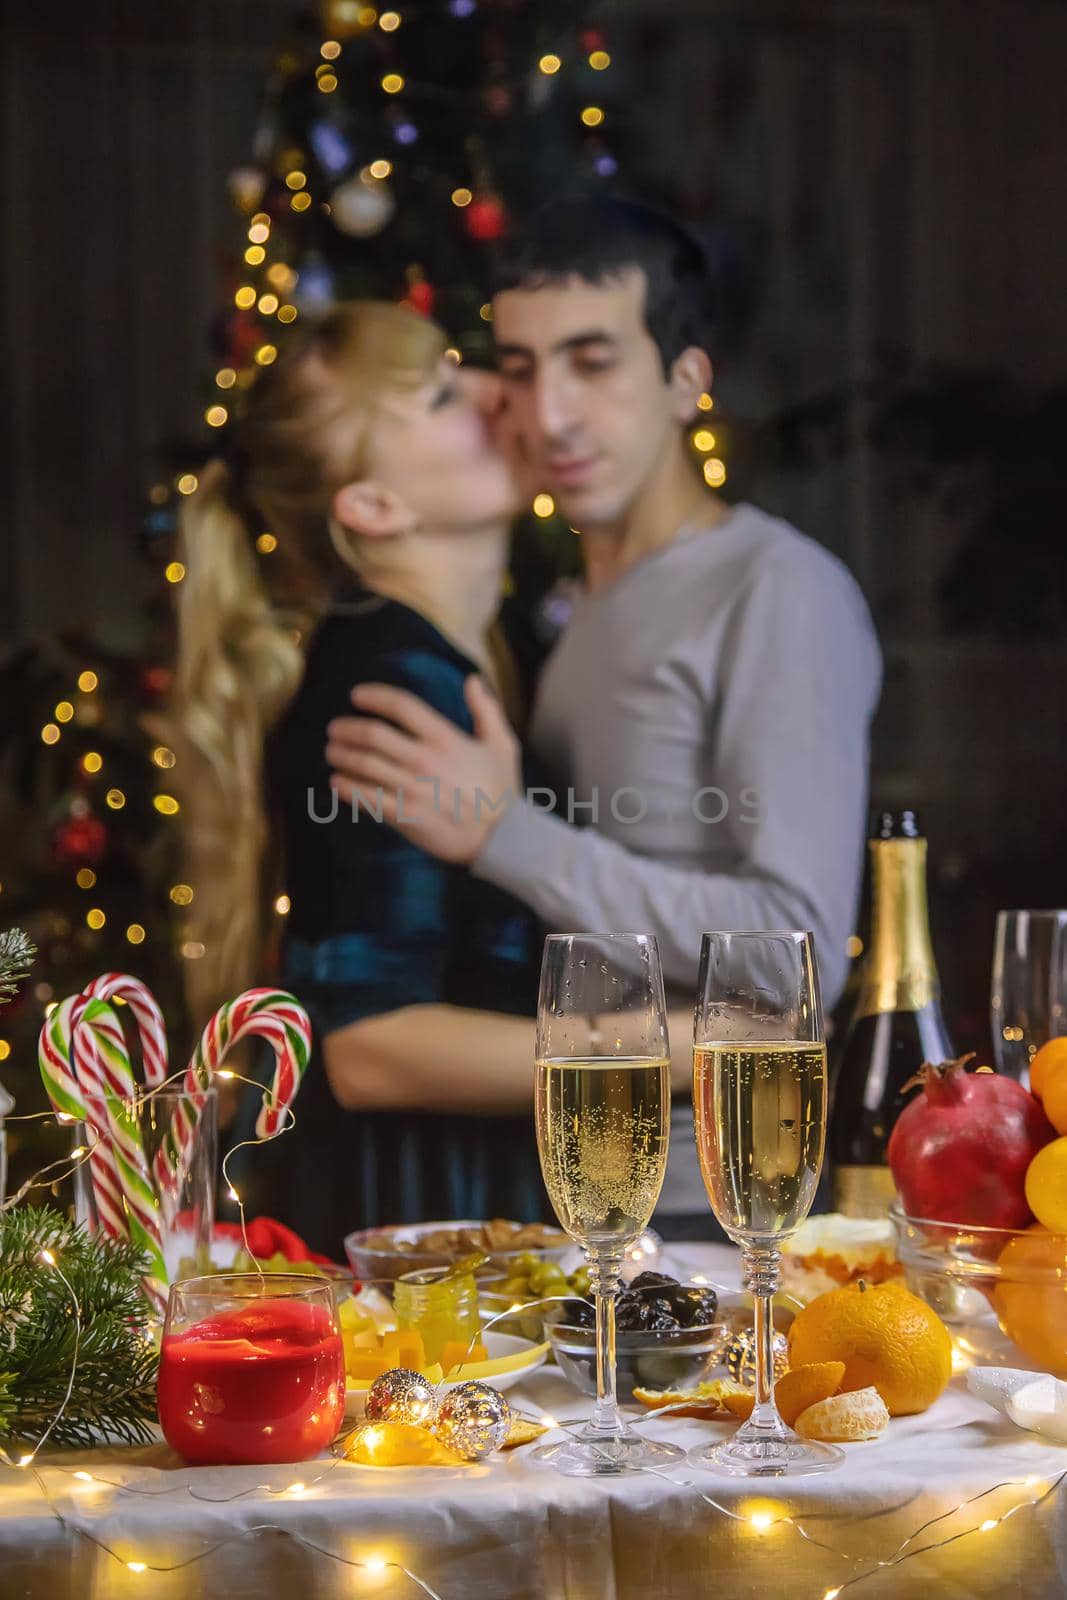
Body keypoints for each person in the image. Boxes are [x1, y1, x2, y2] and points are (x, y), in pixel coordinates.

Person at [324, 198, 884, 1232]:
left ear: (684, 380)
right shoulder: (560, 610)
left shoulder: (774, 590)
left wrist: (507, 834)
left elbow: (798, 946)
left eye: (592, 362)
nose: (550, 415)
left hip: (707, 1215)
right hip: (566, 1200)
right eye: (523, 368)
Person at [167, 302, 554, 1256]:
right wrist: (683, 1051)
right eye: (439, 394)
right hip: (414, 1227)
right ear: (374, 508)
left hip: (446, 1205)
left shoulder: (458, 660)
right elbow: (371, 1048)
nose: (494, 389)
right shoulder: (392, 687)